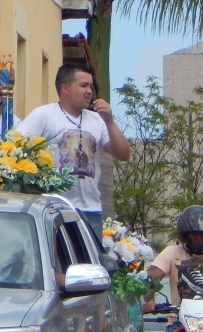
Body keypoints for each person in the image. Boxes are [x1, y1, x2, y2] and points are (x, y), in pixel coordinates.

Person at [13, 63, 129, 237]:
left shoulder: (97, 120)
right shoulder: (44, 115)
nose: (89, 91)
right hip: (53, 208)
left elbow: (123, 154)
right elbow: (15, 146)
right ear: (65, 88)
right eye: (83, 86)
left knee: (89, 264)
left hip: (90, 211)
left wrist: (109, 121)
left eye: (91, 86)